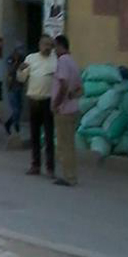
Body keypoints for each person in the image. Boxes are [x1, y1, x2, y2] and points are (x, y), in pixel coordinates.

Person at [18, 35, 58, 177]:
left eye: (50, 45)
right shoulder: (31, 58)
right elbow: (22, 78)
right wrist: (20, 70)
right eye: (45, 44)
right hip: (34, 100)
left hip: (48, 101)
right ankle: (35, 165)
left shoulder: (55, 60)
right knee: (34, 135)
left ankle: (50, 168)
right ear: (40, 45)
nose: (47, 47)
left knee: (48, 136)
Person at [51, 35, 82, 186]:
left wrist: (56, 103)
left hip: (63, 110)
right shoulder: (73, 62)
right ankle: (72, 174)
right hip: (73, 109)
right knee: (70, 144)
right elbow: (80, 89)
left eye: (55, 47)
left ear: (60, 46)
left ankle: (68, 177)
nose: (54, 50)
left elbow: (63, 84)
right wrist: (71, 95)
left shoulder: (62, 61)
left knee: (64, 145)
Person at [4, 45, 25, 135]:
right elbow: (10, 70)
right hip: (12, 87)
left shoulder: (22, 59)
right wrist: (16, 62)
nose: (20, 53)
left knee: (19, 108)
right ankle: (15, 125)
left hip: (20, 86)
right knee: (16, 109)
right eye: (19, 50)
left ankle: (9, 123)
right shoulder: (10, 59)